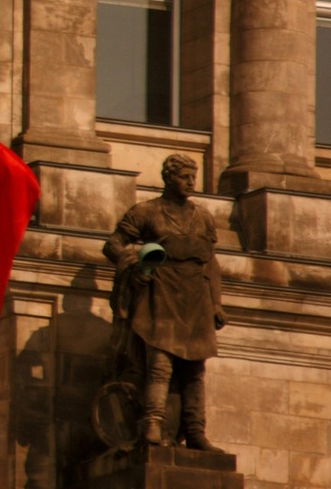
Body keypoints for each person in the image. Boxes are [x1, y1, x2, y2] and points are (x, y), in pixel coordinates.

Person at [103, 154, 226, 450]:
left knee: (195, 370)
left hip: (196, 297)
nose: (191, 182)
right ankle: (153, 423)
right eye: (184, 177)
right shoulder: (147, 211)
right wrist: (133, 264)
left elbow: (210, 263)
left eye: (193, 177)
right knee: (160, 365)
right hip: (160, 293)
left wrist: (217, 304)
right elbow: (113, 245)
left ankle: (195, 431)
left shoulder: (204, 217)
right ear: (169, 178)